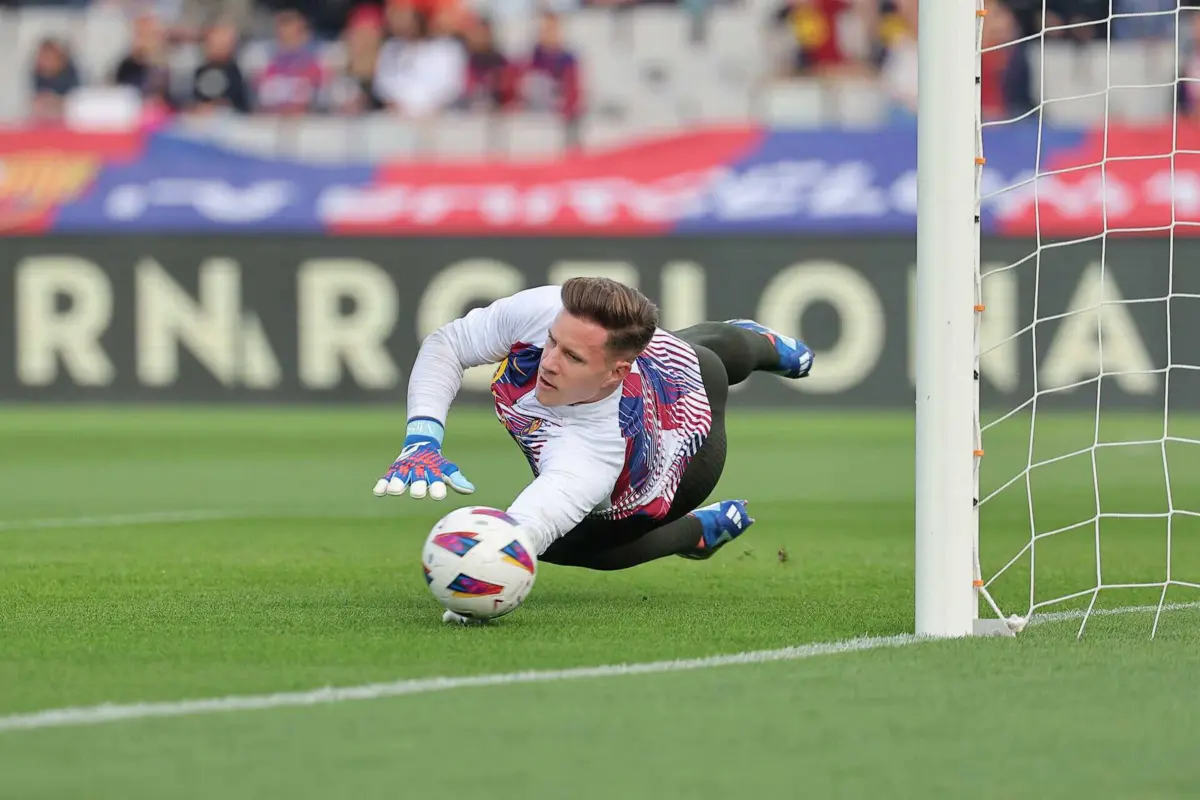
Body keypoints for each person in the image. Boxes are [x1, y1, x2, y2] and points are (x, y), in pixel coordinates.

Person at [372, 278, 813, 579]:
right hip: (658, 365)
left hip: (681, 465)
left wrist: (478, 569)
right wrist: (422, 438)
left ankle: (692, 533)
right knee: (693, 341)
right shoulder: (546, 310)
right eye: (553, 342)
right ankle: (744, 340)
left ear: (614, 373)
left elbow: (524, 532)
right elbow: (448, 344)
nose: (548, 361)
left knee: (570, 547)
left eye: (573, 358)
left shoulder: (594, 455)